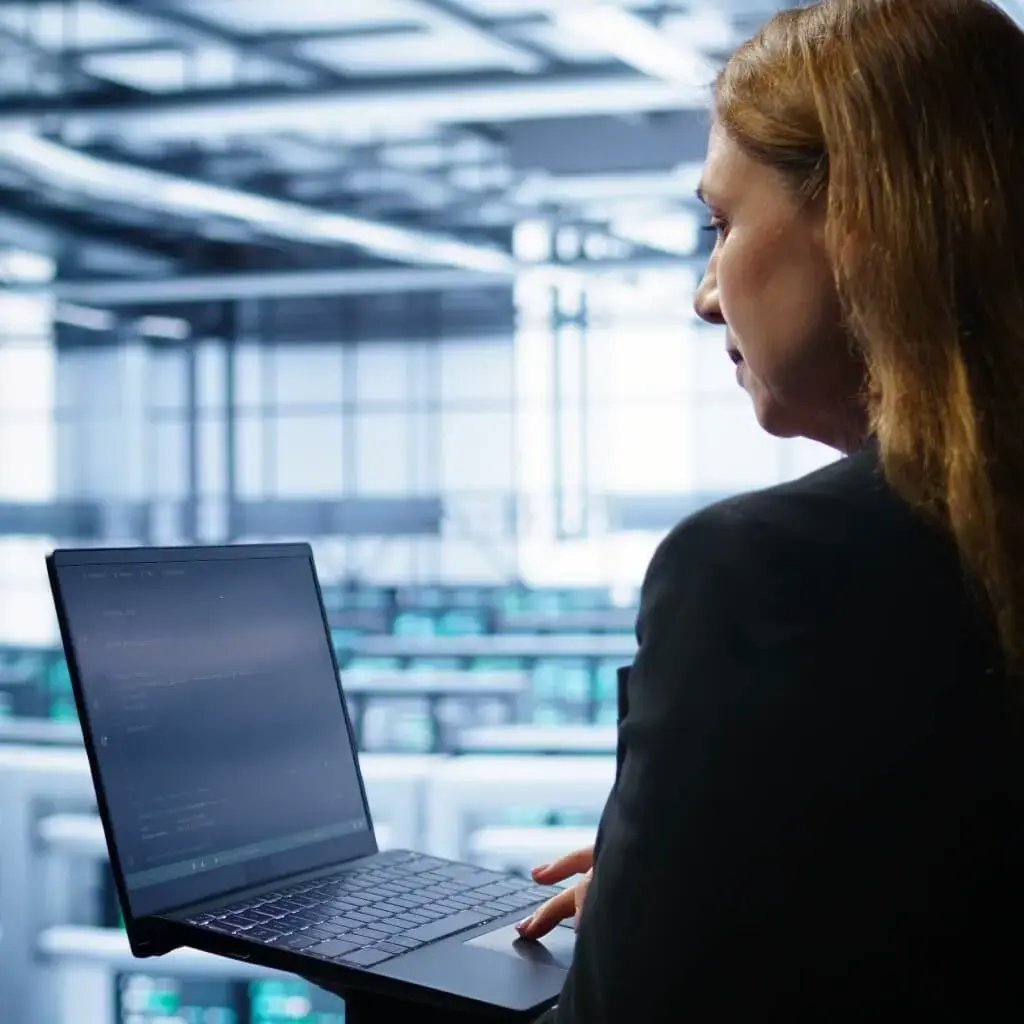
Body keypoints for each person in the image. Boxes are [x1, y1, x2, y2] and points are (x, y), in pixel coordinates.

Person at [523, 0, 1024, 1019]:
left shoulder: (763, 570)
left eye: (721, 224)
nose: (706, 293)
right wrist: (689, 887)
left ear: (863, 222)